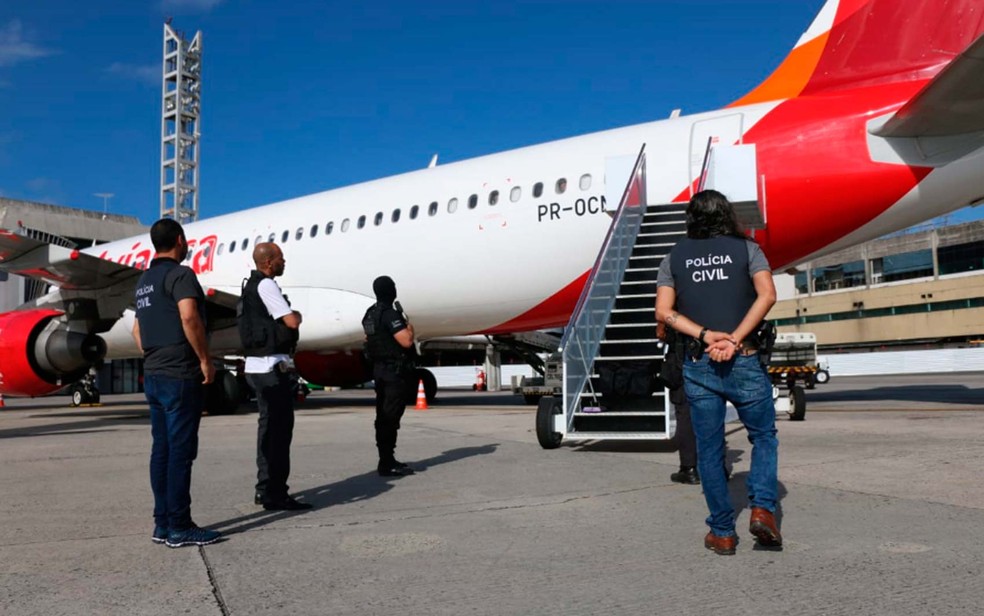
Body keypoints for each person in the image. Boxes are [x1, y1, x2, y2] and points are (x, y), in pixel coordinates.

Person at [655, 189, 781, 556]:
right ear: (727, 215)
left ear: (691, 218)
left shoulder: (674, 257)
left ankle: (723, 532)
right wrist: (736, 339)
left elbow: (663, 313)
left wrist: (706, 335)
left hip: (699, 363)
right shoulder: (748, 249)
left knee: (709, 449)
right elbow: (768, 295)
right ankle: (762, 509)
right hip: (744, 357)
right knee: (764, 437)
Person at [132, 218, 221, 548]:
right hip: (179, 373)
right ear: (180, 241)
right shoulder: (181, 275)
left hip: (153, 373)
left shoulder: (143, 281)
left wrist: (155, 355)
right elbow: (188, 316)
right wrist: (204, 359)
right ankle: (181, 526)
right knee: (181, 452)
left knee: (162, 450)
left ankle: (162, 524)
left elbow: (137, 331)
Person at [238, 242, 311, 511]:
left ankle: (264, 489)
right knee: (279, 434)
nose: (284, 261)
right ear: (269, 262)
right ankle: (276, 493)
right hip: (271, 370)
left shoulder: (249, 287)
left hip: (258, 369)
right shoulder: (266, 285)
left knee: (268, 431)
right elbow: (290, 321)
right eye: (280, 257)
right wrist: (297, 315)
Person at [362, 276, 417, 477]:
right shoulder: (390, 314)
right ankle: (386, 462)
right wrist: (409, 326)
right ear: (389, 290)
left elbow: (368, 339)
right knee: (390, 417)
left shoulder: (370, 314)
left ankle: (386, 458)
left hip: (380, 371)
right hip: (394, 372)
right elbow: (406, 342)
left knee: (383, 417)